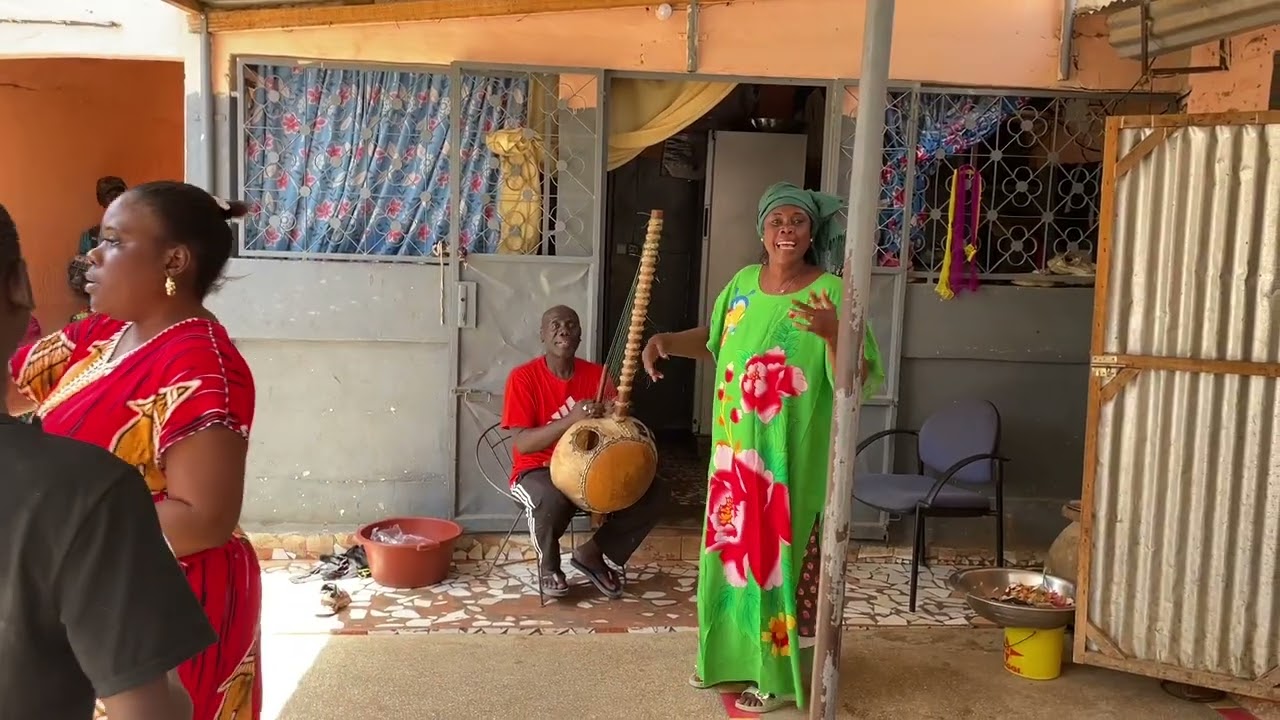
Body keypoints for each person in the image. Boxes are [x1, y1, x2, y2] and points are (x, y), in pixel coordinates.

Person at [9, 181, 263, 720]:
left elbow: (204, 518)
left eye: (114, 241)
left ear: (174, 260)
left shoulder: (201, 365)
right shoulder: (101, 334)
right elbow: (12, 384)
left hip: (162, 598)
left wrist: (66, 534)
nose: (91, 257)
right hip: (87, 579)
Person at [642, 182, 884, 714]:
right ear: (762, 231)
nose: (786, 231)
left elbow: (861, 375)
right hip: (733, 462)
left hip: (788, 465)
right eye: (777, 222)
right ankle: (726, 662)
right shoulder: (742, 283)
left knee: (777, 563)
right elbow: (718, 339)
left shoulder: (833, 292)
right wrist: (666, 342)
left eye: (797, 221)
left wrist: (830, 334)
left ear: (811, 232)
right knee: (731, 562)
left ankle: (776, 680)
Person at [500, 304, 667, 599]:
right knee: (552, 498)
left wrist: (616, 413)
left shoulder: (598, 375)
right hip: (536, 470)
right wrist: (572, 420)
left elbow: (617, 427)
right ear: (542, 334)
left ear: (579, 336)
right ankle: (549, 566)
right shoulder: (523, 378)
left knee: (654, 492)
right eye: (554, 324)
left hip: (592, 469)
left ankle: (592, 553)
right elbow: (523, 444)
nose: (563, 329)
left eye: (571, 324)